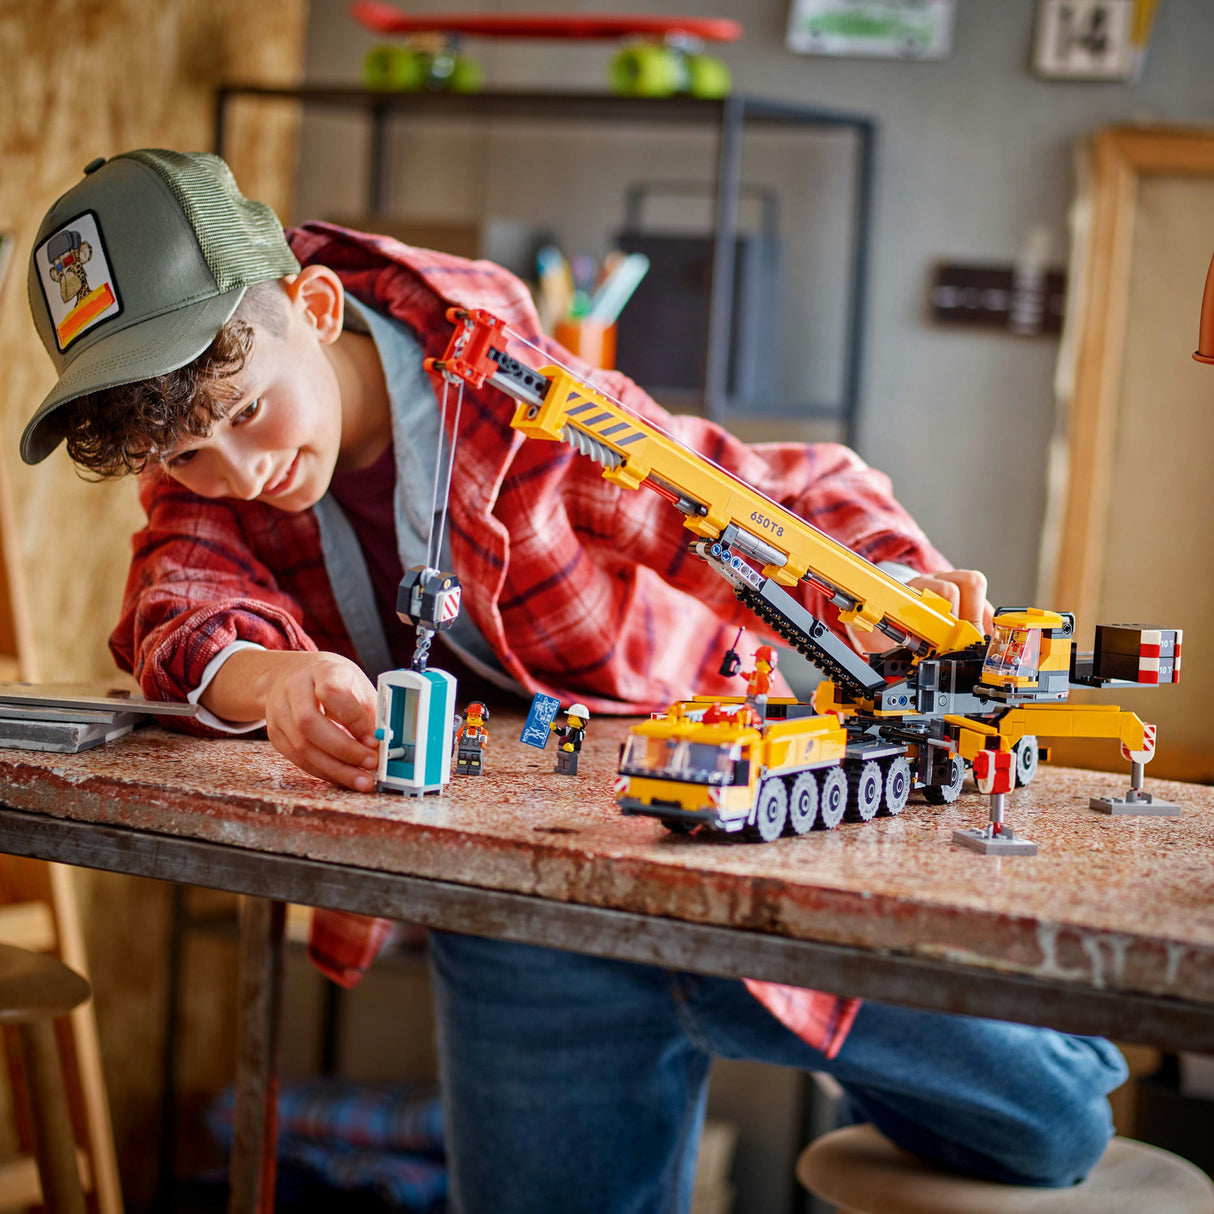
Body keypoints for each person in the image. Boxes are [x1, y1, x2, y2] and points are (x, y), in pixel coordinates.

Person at [24, 150, 1125, 1212]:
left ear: (313, 309)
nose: (242, 470)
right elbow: (177, 596)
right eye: (185, 455)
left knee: (1052, 1129)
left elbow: (741, 499)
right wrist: (272, 681)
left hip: (720, 850)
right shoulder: (207, 475)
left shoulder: (521, 406)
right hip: (517, 917)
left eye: (251, 412)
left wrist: (893, 592)